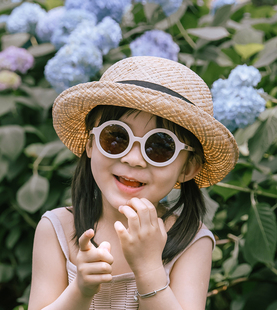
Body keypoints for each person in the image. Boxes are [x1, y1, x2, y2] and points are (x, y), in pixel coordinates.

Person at [28, 56, 238, 310]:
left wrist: (149, 269)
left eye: (160, 146)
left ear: (188, 168)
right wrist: (80, 290)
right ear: (90, 144)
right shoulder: (57, 229)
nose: (134, 159)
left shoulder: (193, 242)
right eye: (116, 136)